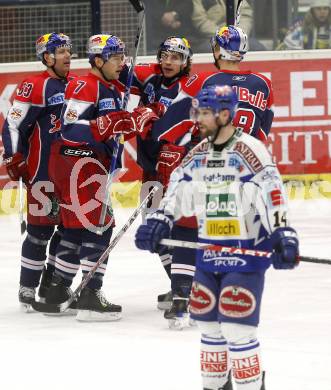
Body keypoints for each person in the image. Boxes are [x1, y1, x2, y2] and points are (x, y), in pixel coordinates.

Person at [135, 84, 299, 390]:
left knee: (237, 330)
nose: (198, 118)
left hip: (245, 255)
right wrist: (160, 221)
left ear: (225, 114)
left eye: (205, 113)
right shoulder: (197, 154)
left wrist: (283, 232)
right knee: (208, 328)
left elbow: (273, 192)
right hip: (208, 255)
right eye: (198, 111)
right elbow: (177, 191)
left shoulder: (250, 150)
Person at [147, 25, 274, 327]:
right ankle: (230, 299)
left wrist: (160, 139)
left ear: (217, 50)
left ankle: (181, 300)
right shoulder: (262, 84)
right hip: (245, 170)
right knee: (230, 233)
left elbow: (171, 126)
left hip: (211, 166)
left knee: (187, 228)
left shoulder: (203, 80)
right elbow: (264, 129)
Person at [44, 34, 158, 321]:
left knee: (74, 229)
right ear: (98, 60)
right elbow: (70, 128)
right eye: (116, 57)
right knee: (100, 225)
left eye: (122, 56)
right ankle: (90, 295)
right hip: (78, 165)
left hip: (82, 164)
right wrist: (107, 124)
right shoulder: (87, 85)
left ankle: (58, 289)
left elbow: (114, 123)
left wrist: (130, 119)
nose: (122, 62)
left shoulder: (110, 84)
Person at [115, 36, 194, 309]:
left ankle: (189, 287)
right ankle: (181, 285)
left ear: (186, 62)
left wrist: (155, 113)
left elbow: (188, 127)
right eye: (166, 56)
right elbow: (121, 69)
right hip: (150, 168)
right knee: (153, 228)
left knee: (179, 229)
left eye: (177, 57)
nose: (169, 62)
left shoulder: (189, 87)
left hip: (177, 170)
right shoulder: (149, 76)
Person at [1, 32, 75, 311]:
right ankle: (27, 287)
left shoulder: (77, 85)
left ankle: (51, 281)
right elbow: (12, 124)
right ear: (47, 57)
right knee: (39, 232)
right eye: (61, 51)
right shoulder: (35, 85)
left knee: (70, 231)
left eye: (69, 50)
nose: (68, 55)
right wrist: (14, 157)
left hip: (70, 177)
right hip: (43, 175)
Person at [191, 0, 266, 52]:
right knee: (214, 50)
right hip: (208, 38)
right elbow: (200, 21)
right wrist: (224, 35)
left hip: (236, 36)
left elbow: (244, 14)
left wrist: (239, 34)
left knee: (257, 47)